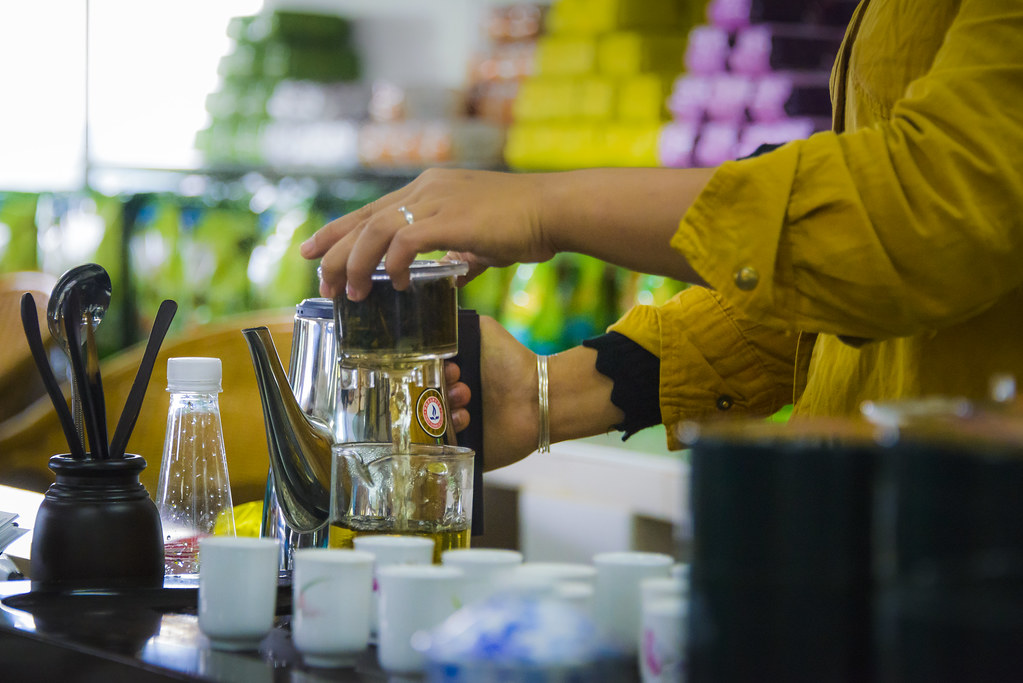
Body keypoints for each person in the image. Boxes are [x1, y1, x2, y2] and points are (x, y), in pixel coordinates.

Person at [301, 0, 1023, 471]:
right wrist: (547, 392)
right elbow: (833, 279)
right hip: (880, 523)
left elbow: (924, 214)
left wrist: (544, 206)